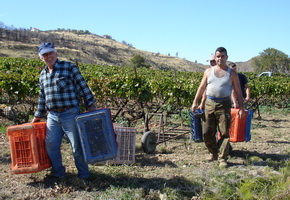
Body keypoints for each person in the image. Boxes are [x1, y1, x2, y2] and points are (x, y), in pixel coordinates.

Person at [32, 42, 97, 179]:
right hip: (53, 116)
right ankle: (58, 173)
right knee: (51, 144)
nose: (48, 56)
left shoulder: (69, 67)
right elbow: (42, 97)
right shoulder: (42, 75)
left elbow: (82, 85)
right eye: (45, 54)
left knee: (76, 146)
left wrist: (90, 103)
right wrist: (38, 115)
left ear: (56, 53)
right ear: (41, 57)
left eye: (50, 53)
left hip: (70, 113)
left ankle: (84, 175)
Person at [191, 47, 246, 166]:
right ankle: (213, 152)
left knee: (224, 132)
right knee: (207, 131)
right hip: (209, 103)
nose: (220, 58)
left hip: (224, 104)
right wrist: (195, 102)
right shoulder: (208, 72)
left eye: (222, 56)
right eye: (218, 56)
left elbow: (238, 91)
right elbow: (201, 87)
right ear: (215, 58)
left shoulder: (232, 74)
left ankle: (222, 158)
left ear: (227, 57)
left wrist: (241, 108)